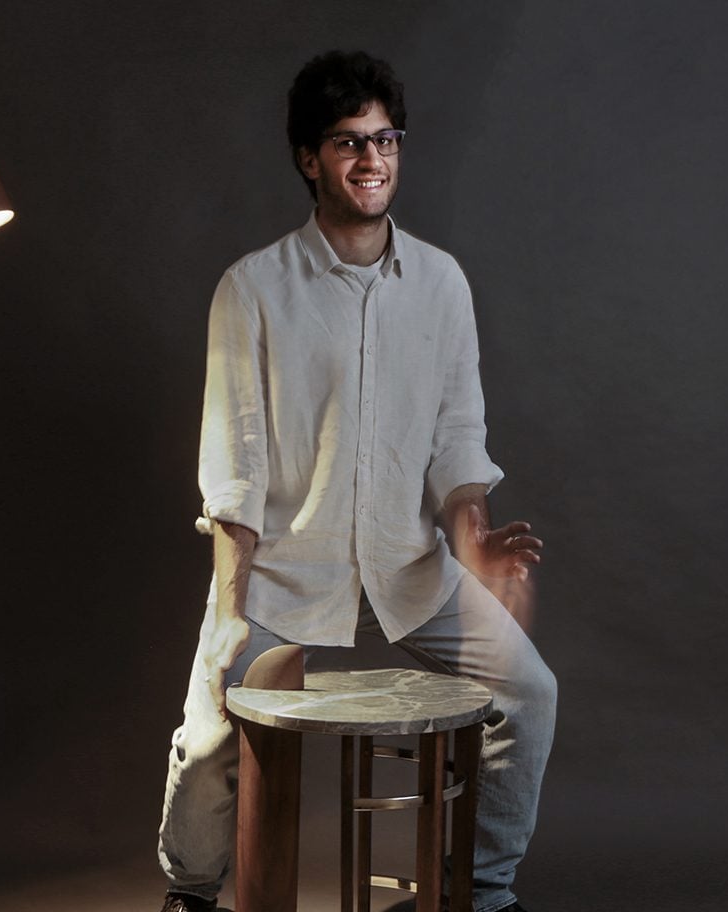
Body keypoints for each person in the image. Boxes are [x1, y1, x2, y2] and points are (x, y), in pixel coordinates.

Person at [156, 50, 556, 912]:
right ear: (310, 159)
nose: (372, 159)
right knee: (213, 734)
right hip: (283, 572)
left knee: (529, 692)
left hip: (406, 567)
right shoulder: (252, 288)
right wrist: (230, 614)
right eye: (348, 142)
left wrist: (474, 544)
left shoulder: (441, 282)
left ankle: (479, 894)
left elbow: (456, 442)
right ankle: (189, 893)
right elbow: (236, 465)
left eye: (385, 139)